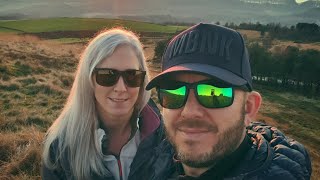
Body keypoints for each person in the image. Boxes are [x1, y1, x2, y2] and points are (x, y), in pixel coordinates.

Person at [145, 23, 312, 179]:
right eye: (174, 92)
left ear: (248, 108)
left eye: (213, 93)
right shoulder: (151, 162)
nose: (189, 112)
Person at [41, 28, 164, 180]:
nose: (121, 88)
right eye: (107, 76)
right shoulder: (61, 148)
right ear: (89, 80)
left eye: (132, 75)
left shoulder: (162, 135)